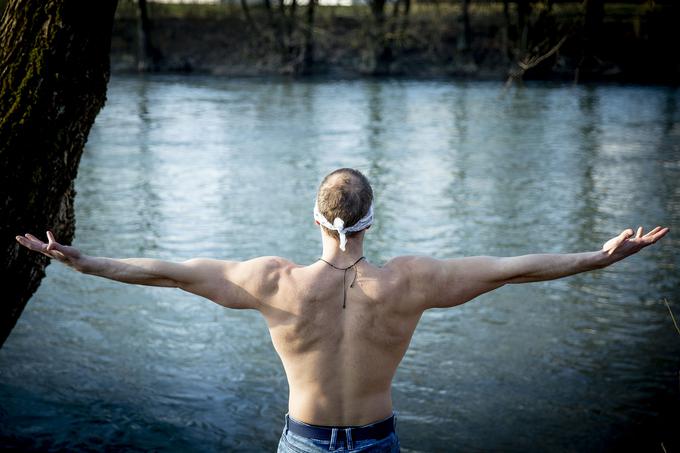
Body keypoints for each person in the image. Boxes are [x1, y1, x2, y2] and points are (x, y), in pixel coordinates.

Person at [16, 168, 669, 453]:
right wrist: (595, 257)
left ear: (316, 217)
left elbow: (169, 272)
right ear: (370, 221)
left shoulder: (275, 282)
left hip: (303, 440)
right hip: (377, 439)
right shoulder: (412, 281)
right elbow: (513, 268)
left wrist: (86, 260)